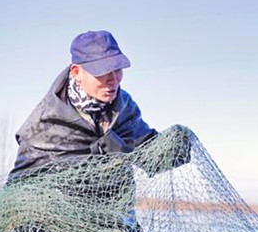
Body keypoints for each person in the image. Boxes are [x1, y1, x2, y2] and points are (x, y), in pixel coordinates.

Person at [10, 30, 156, 174]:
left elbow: (154, 157)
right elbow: (18, 187)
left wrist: (126, 149)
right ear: (76, 72)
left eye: (117, 69)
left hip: (123, 198)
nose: (113, 80)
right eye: (103, 71)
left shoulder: (125, 107)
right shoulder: (43, 124)